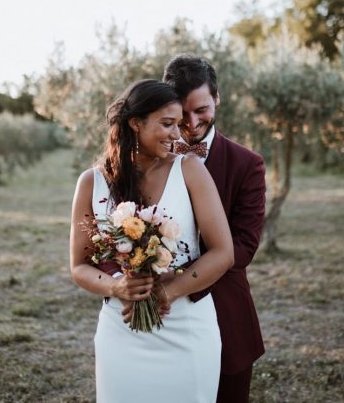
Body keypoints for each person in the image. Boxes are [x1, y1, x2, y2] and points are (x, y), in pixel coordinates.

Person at [70, 79, 234, 402]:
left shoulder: (190, 170)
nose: (177, 134)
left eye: (178, 125)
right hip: (121, 329)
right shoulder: (92, 183)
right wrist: (116, 287)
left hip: (185, 327)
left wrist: (167, 292)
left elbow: (223, 252)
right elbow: (79, 265)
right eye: (167, 124)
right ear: (135, 123)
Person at [162, 55, 267, 403]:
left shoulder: (246, 164)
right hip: (159, 317)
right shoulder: (149, 161)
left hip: (224, 313)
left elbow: (244, 248)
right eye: (182, 112)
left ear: (217, 98)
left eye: (202, 109)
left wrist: (179, 281)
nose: (191, 123)